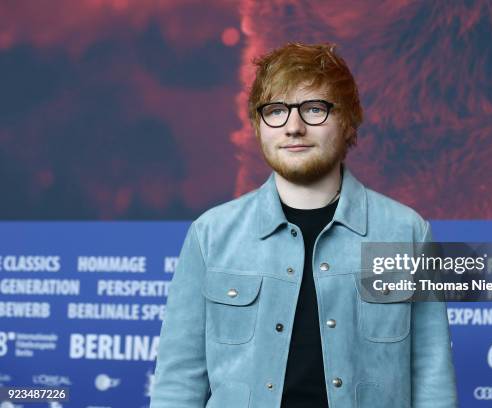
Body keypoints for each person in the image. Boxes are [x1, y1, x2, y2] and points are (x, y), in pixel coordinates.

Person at [150, 42, 457, 408]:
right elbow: (178, 382)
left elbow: (432, 378)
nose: (293, 127)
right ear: (258, 126)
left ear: (348, 120)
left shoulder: (407, 233)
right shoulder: (211, 235)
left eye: (314, 109)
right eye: (276, 110)